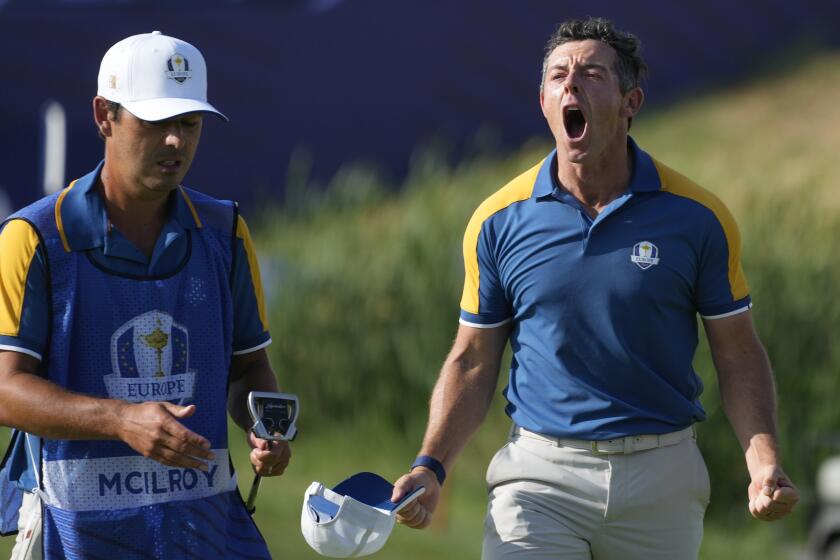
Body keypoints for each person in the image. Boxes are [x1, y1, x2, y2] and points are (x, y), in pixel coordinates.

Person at [392, 16, 799, 559]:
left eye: (591, 74)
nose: (572, 85)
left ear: (631, 101)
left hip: (662, 478)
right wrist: (431, 464)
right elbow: (471, 359)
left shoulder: (698, 218)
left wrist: (763, 463)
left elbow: (738, 352)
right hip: (538, 479)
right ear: (543, 102)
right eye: (559, 76)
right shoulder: (496, 221)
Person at [0, 31, 289, 559]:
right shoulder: (34, 236)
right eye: (156, 122)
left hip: (208, 535)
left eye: (190, 124)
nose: (176, 141)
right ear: (103, 115)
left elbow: (248, 369)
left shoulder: (226, 231)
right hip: (74, 538)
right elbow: (4, 390)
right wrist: (120, 419)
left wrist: (263, 428)